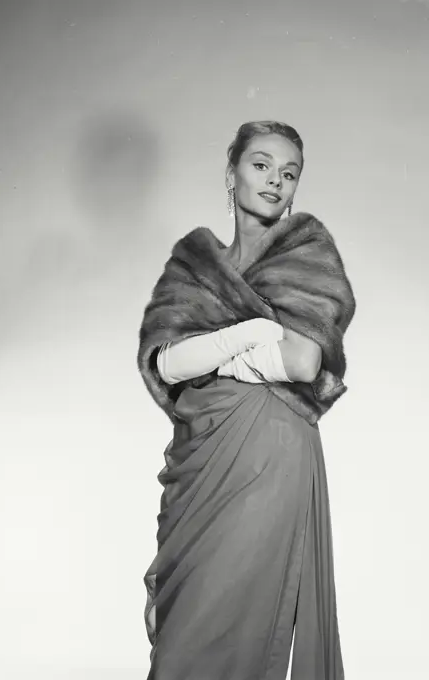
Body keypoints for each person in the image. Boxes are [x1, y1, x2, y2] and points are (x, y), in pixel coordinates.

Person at [137, 121, 355, 680]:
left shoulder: (308, 250)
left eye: (290, 173)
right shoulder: (193, 263)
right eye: (261, 165)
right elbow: (164, 362)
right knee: (188, 633)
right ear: (230, 172)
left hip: (271, 454)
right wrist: (251, 334)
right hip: (203, 457)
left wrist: (214, 354)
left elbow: (304, 362)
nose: (275, 181)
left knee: (240, 625)